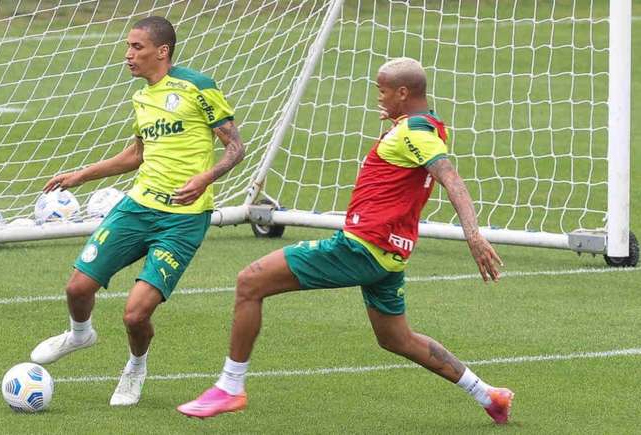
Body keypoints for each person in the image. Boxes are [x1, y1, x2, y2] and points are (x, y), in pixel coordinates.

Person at [177, 57, 514, 424]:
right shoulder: (421, 125)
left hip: (361, 247)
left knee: (249, 281)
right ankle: (489, 395)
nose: (378, 98)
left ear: (403, 92)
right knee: (396, 339)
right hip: (388, 255)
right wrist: (399, 119)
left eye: (383, 91)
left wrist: (474, 236)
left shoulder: (415, 133)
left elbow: (451, 178)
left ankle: (230, 388)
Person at [30, 16, 245, 407]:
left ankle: (135, 366)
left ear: (161, 52)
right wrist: (81, 175)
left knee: (134, 315)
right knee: (77, 288)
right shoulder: (142, 97)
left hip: (183, 218)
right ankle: (80, 334)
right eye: (128, 47)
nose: (128, 55)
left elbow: (235, 148)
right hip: (137, 207)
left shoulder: (199, 87)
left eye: (136, 47)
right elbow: (137, 154)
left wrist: (206, 177)